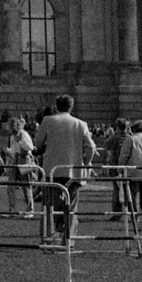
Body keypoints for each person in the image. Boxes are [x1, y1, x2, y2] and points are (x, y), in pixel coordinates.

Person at [33, 94, 98, 243]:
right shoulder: (81, 124)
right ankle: (68, 239)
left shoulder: (48, 120)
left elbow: (37, 142)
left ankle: (48, 237)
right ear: (71, 107)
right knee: (70, 206)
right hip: (73, 170)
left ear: (56, 106)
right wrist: (86, 162)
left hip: (52, 169)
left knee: (49, 205)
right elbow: (91, 147)